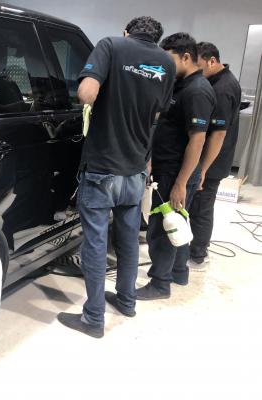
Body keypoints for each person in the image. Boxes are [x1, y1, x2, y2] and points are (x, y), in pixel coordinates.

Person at [57, 16, 175, 338]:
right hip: (136, 169)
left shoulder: (111, 45)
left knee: (96, 244)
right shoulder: (166, 62)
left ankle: (93, 318)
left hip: (102, 168)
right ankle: (126, 300)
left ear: (127, 31)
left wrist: (100, 86)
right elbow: (156, 114)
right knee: (128, 239)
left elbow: (86, 94)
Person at [137, 33, 216, 300]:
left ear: (185, 57)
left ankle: (160, 284)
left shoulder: (197, 91)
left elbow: (198, 139)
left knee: (162, 228)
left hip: (175, 172)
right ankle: (179, 272)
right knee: (179, 222)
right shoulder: (183, 85)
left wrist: (181, 183)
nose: (165, 64)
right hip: (170, 168)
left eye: (168, 58)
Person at [188, 42, 242, 271]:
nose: (197, 71)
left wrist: (202, 170)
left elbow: (218, 134)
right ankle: (196, 249)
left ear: (212, 61)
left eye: (199, 65)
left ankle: (198, 256)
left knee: (201, 208)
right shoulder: (218, 80)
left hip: (212, 162)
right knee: (199, 206)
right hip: (210, 160)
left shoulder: (223, 89)